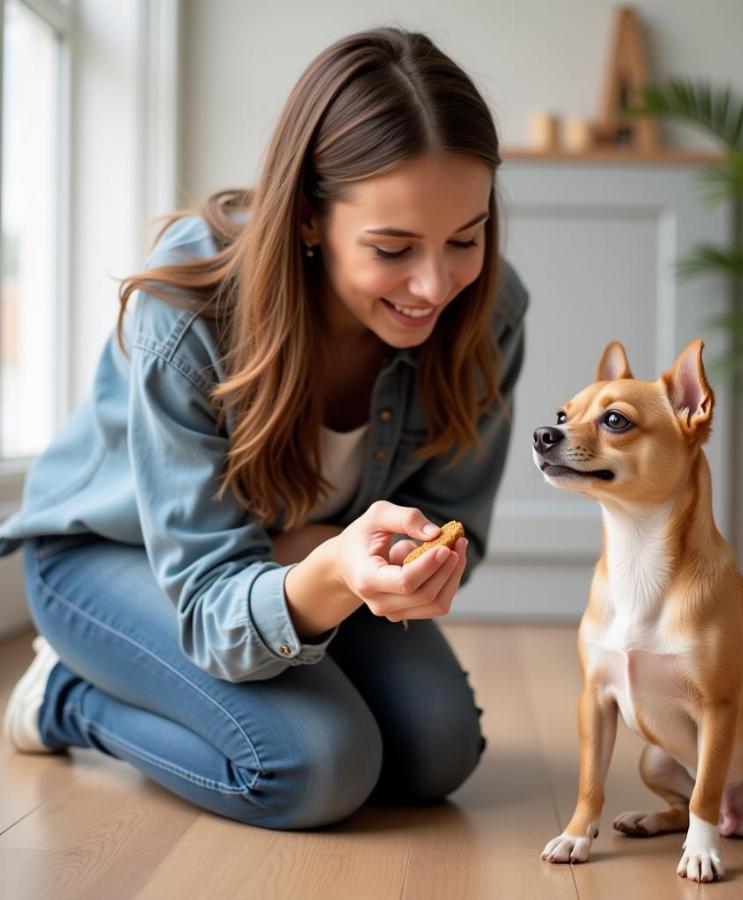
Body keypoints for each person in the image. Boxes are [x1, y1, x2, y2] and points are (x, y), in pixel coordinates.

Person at [0, 27, 527, 830]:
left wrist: (379, 565)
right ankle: (67, 699)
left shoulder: (488, 310)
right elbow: (212, 601)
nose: (435, 284)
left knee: (436, 754)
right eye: (393, 248)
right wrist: (335, 565)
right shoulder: (190, 312)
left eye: (466, 237)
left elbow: (457, 528)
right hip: (110, 557)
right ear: (311, 219)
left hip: (291, 559)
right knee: (317, 765)